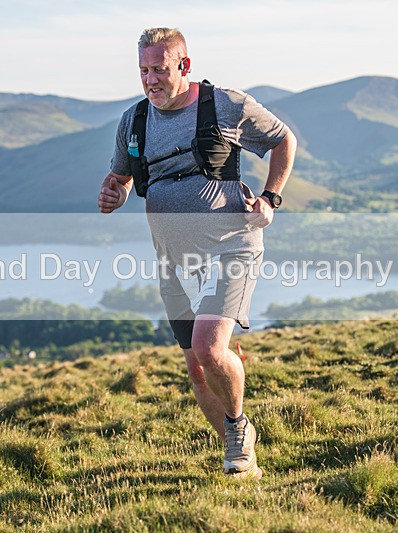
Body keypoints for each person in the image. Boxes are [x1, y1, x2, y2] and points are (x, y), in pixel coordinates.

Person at [98, 27, 296, 479]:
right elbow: (122, 179)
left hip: (232, 245)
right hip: (174, 258)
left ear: (184, 66)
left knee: (208, 348)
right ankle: (236, 441)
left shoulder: (224, 104)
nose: (151, 80)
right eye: (143, 70)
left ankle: (238, 428)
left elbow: (284, 141)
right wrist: (114, 194)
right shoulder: (134, 121)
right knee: (197, 367)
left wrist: (270, 199)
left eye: (160, 70)